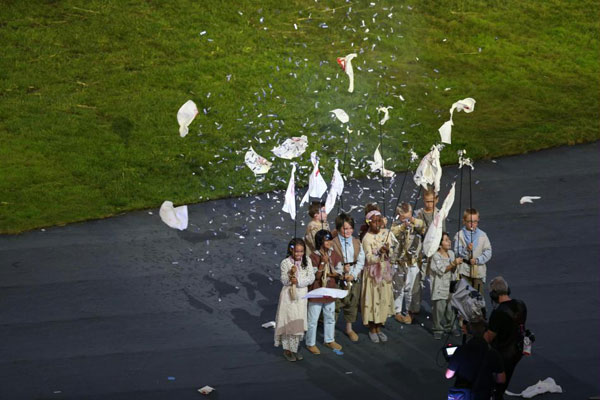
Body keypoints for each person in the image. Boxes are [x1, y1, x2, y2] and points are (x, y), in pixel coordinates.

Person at [484, 276, 528, 399]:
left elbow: (488, 338)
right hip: (517, 351)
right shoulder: (521, 305)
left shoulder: (498, 313)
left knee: (496, 385)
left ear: (493, 294)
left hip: (502, 354)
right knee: (504, 382)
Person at [274, 238, 315, 362]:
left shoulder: (307, 261)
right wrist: (290, 279)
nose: (299, 254)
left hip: (301, 296)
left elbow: (311, 277)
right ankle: (287, 349)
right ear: (291, 250)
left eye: (301, 251)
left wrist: (299, 282)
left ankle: (294, 349)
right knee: (288, 321)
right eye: (296, 251)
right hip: (288, 297)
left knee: (298, 321)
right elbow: (283, 280)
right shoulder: (285, 263)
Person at [446, 318, 506, 400]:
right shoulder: (493, 353)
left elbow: (448, 375)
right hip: (483, 394)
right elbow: (501, 379)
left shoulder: (461, 350)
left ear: (469, 332)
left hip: (463, 394)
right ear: (485, 332)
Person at [361, 210, 396, 343]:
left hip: (384, 272)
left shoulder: (386, 234)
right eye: (374, 221)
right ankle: (372, 328)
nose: (377, 224)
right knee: (372, 299)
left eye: (379, 221)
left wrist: (388, 251)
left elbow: (392, 252)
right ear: (369, 222)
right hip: (372, 275)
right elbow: (369, 258)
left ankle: (379, 326)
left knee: (382, 299)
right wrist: (379, 254)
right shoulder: (366, 238)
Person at [306, 230, 343, 354]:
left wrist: (335, 272)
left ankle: (329, 339)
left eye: (330, 239)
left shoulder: (334, 254)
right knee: (313, 320)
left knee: (330, 317)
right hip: (317, 292)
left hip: (330, 290)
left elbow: (339, 271)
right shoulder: (313, 256)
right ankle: (310, 343)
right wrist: (322, 262)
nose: (329, 242)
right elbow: (315, 276)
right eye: (326, 240)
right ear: (320, 241)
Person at [412, 186, 446, 315]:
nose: (429, 204)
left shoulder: (439, 215)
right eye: (427, 201)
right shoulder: (418, 214)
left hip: (435, 253)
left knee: (435, 283)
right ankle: (414, 309)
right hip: (421, 253)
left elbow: (443, 234)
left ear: (436, 200)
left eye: (431, 201)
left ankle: (437, 311)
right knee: (416, 282)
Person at [390, 202, 426, 324]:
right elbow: (392, 233)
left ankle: (409, 312)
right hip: (399, 260)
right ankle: (397, 311)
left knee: (410, 287)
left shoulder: (416, 222)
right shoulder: (395, 225)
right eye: (403, 217)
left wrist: (413, 221)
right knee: (398, 286)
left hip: (413, 260)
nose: (406, 220)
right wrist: (402, 227)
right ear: (398, 216)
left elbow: (423, 227)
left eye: (408, 216)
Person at [331, 213, 365, 342]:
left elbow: (361, 259)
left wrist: (353, 274)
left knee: (352, 302)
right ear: (339, 228)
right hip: (339, 277)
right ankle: (331, 329)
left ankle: (349, 328)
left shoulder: (356, 242)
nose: (348, 231)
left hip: (353, 276)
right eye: (345, 228)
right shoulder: (334, 243)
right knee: (336, 305)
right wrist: (341, 272)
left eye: (350, 228)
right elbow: (331, 261)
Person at [430, 232, 463, 339]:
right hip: (440, 286)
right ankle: (438, 328)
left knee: (450, 308)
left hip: (450, 285)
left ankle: (450, 326)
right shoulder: (435, 256)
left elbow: (453, 270)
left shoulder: (452, 253)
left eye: (449, 239)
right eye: (446, 240)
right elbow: (441, 270)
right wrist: (453, 263)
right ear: (440, 244)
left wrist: (455, 264)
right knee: (439, 309)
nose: (449, 241)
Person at [454, 208, 492, 296]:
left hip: (478, 271)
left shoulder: (483, 235)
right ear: (464, 221)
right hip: (464, 271)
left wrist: (478, 260)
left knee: (478, 297)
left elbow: (488, 252)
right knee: (465, 296)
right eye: (469, 221)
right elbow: (457, 252)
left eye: (475, 221)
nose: (472, 224)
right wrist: (466, 249)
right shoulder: (459, 235)